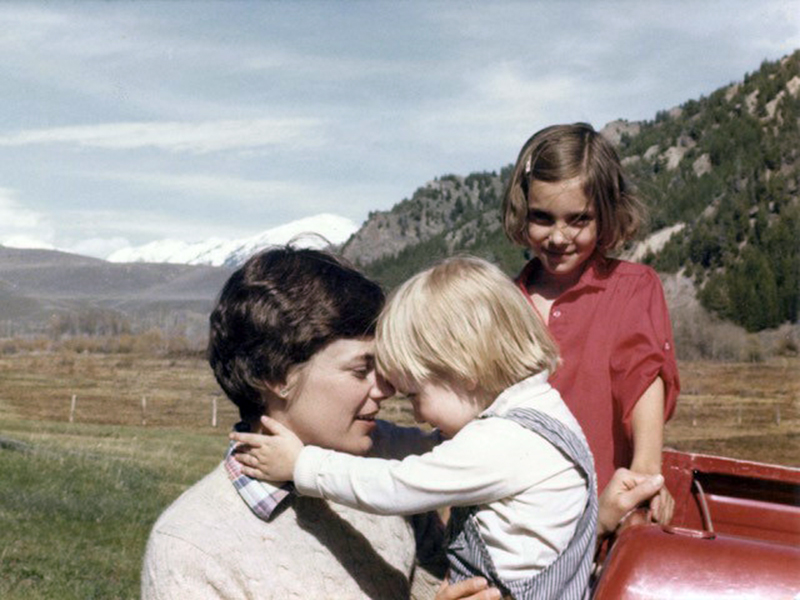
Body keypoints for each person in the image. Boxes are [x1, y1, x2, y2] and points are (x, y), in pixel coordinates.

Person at [231, 256, 598, 600]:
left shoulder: (502, 442)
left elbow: (396, 486)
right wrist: (375, 436)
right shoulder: (538, 415)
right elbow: (426, 445)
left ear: (463, 370)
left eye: (414, 395)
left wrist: (302, 465)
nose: (418, 414)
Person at [141, 246, 490, 600]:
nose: (387, 388)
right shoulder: (188, 548)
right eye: (360, 370)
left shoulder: (388, 475)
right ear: (276, 375)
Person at [501, 122, 680, 523]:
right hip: (516, 519)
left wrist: (646, 471)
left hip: (602, 508)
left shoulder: (631, 288)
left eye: (578, 219)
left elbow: (642, 374)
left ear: (605, 215)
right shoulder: (503, 302)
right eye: (542, 218)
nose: (558, 237)